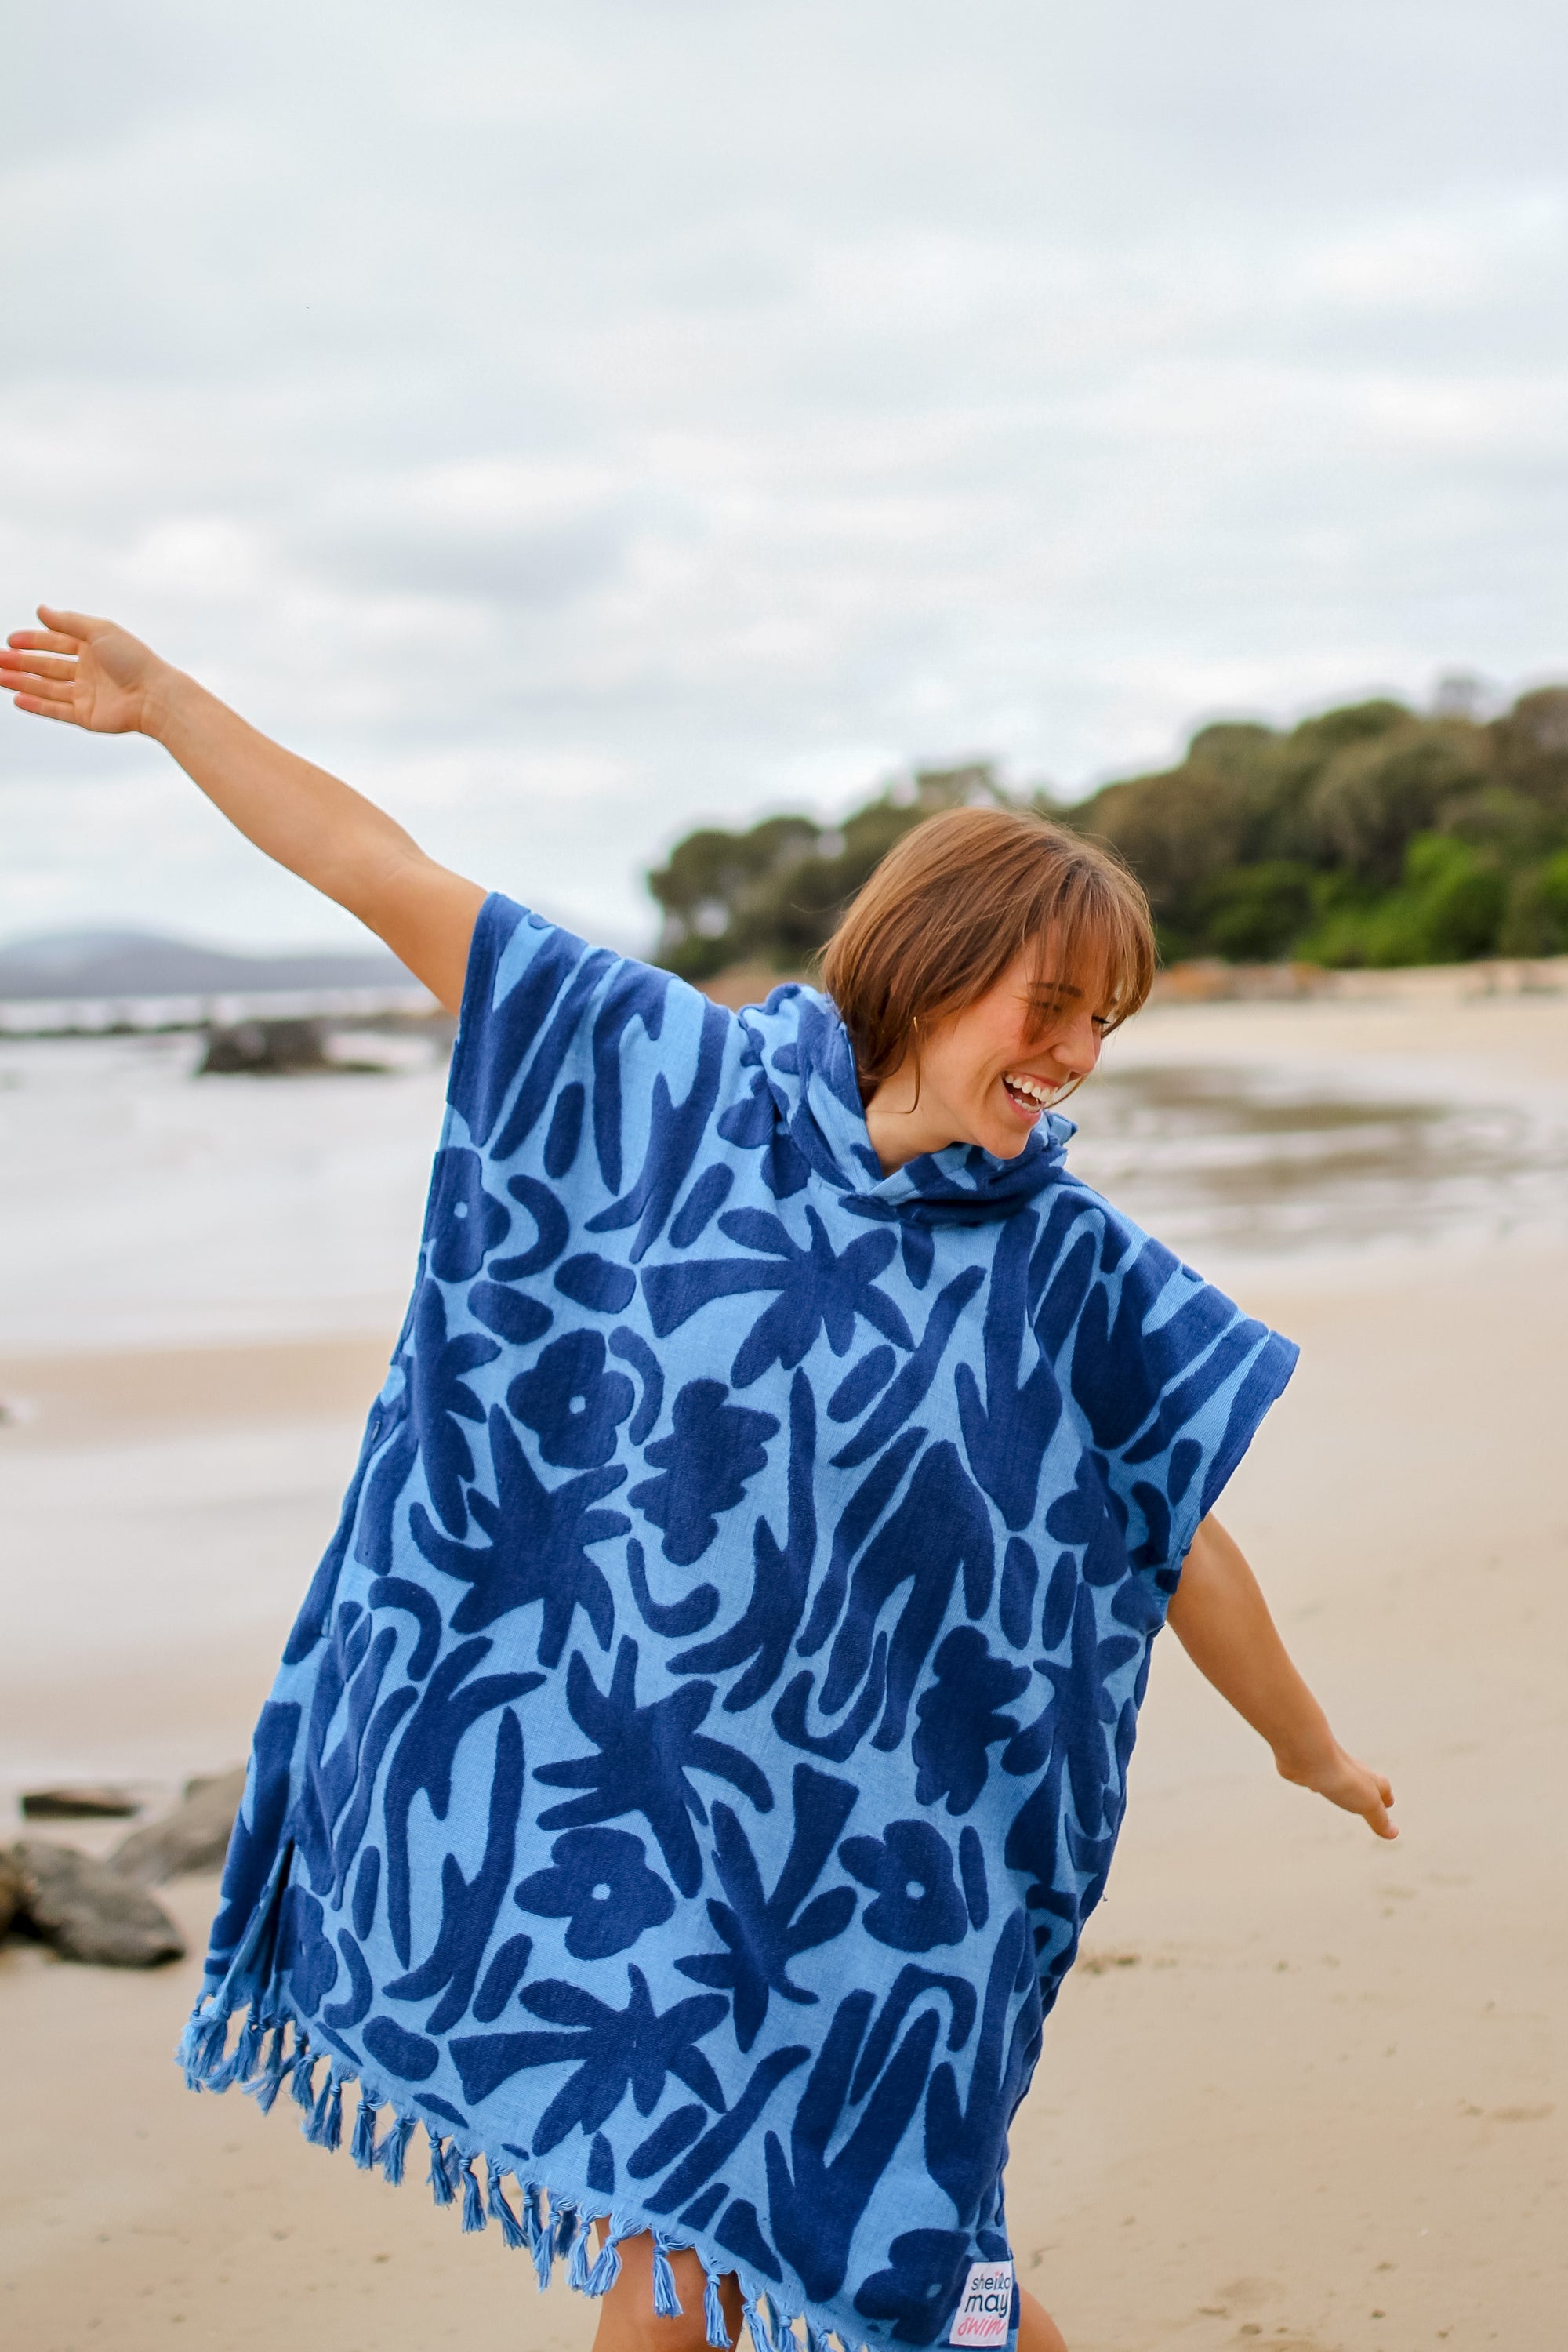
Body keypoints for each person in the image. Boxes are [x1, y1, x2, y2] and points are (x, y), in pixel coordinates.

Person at [4, 608, 1396, 2352]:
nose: (1075, 1059)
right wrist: (171, 708)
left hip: (896, 1894)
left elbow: (1173, 1530)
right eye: (1052, 1006)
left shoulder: (1069, 1269)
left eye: (1103, 1024)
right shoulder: (669, 1086)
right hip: (663, 1850)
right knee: (728, 2268)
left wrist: (1303, 1742)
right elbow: (380, 868)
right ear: (930, 963)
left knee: (897, 2271)